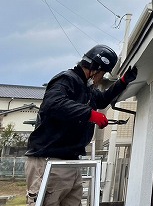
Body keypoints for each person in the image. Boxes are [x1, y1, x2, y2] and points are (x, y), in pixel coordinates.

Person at [24, 44, 138, 206]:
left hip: (70, 161)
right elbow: (53, 103)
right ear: (95, 69)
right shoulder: (67, 79)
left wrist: (122, 82)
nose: (102, 78)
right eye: (103, 73)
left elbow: (102, 100)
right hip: (49, 160)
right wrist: (89, 114)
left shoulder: (87, 88)